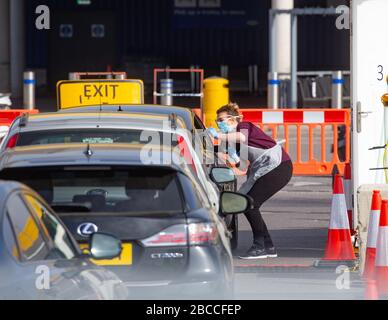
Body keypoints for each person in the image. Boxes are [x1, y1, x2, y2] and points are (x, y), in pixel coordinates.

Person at [208, 103, 293, 259]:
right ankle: (268, 246)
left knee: (250, 204)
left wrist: (217, 136)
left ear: (233, 119)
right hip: (268, 169)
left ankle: (259, 247)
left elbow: (241, 137)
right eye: (217, 120)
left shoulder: (243, 127)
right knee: (248, 203)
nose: (218, 123)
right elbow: (229, 154)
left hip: (279, 167)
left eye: (221, 119)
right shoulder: (231, 139)